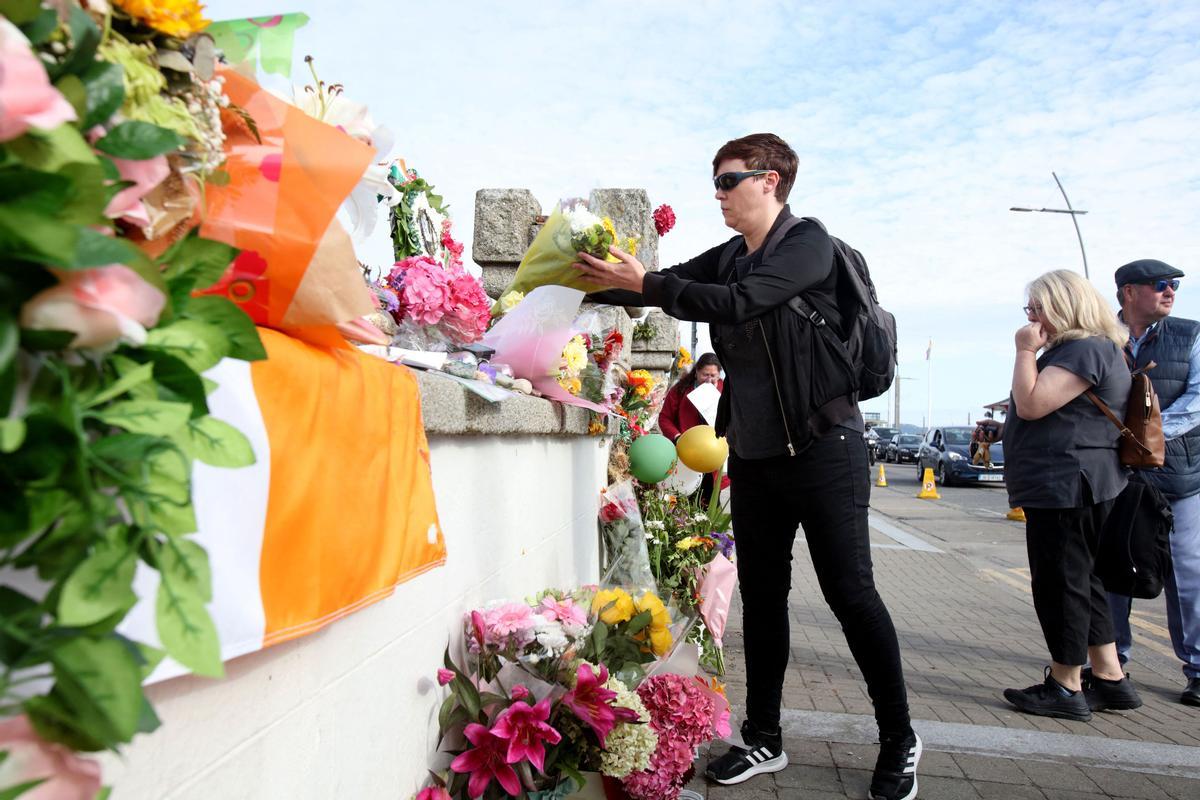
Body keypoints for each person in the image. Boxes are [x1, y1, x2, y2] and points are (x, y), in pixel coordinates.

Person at [576, 133, 919, 800]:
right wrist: (587, 273)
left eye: (730, 179)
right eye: (717, 180)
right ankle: (764, 736)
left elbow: (737, 301)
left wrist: (648, 283)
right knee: (762, 600)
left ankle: (900, 739)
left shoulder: (807, 245)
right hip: (757, 455)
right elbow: (667, 288)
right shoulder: (732, 254)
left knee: (852, 595)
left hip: (826, 449)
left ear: (771, 181)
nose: (719, 192)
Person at [1001, 269, 1141, 721]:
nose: (1032, 318)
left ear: (1064, 306)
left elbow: (1032, 403)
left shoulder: (1082, 349)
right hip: (1086, 480)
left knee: (1060, 582)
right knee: (1085, 580)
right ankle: (1109, 677)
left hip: (1066, 483)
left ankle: (1065, 684)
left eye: (1037, 308)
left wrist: (1025, 350)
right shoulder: (1103, 348)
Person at [1106, 259, 1200, 708]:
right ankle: (1110, 663)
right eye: (1161, 285)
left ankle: (1198, 669)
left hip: (1180, 477)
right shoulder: (1100, 333)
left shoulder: (1192, 333)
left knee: (1189, 574)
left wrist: (1147, 433)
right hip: (1117, 477)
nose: (1170, 292)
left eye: (1175, 286)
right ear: (1128, 292)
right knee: (1113, 569)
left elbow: (1199, 399)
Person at [658, 352, 727, 502]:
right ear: (696, 372)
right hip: (686, 453)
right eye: (705, 375)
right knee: (683, 498)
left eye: (713, 375)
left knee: (709, 501)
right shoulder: (680, 389)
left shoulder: (726, 390)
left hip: (713, 456)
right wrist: (677, 436)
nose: (709, 380)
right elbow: (665, 418)